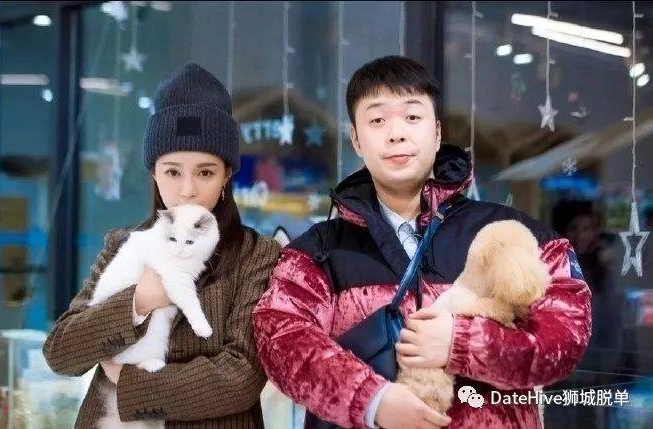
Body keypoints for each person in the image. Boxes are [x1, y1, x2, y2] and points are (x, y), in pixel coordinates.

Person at [252, 56, 592, 429]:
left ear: (437, 132)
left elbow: (565, 338)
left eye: (412, 116)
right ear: (356, 139)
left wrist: (461, 343)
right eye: (377, 120)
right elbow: (280, 338)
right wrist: (372, 400)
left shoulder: (512, 234)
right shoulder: (316, 252)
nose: (396, 133)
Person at [43, 63, 281, 428]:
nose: (187, 189)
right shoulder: (124, 244)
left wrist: (131, 384)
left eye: (205, 172)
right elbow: (61, 353)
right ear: (153, 171)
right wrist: (139, 301)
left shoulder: (257, 254)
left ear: (227, 175)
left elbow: (240, 377)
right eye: (172, 171)